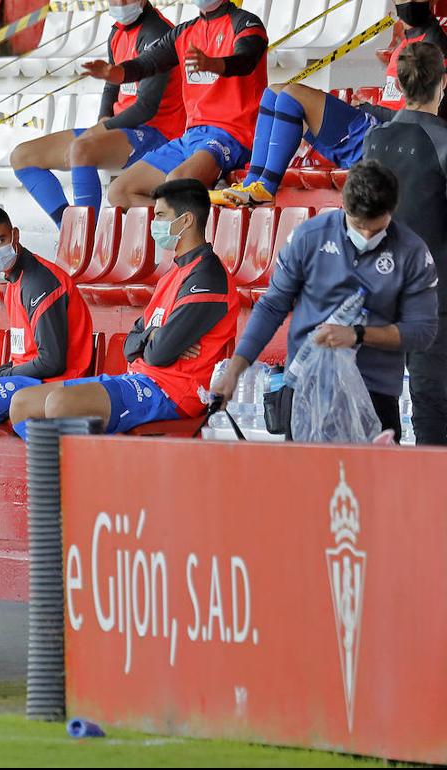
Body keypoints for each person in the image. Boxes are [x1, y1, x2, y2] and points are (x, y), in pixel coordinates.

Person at [213, 161, 439, 442]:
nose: (367, 235)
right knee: (305, 484)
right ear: (344, 205)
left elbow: (423, 331)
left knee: (367, 486)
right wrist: (234, 371)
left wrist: (358, 335)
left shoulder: (412, 252)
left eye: (376, 227)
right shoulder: (308, 238)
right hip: (309, 389)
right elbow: (272, 306)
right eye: (359, 225)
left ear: (391, 211)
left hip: (375, 394)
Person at [9, 179, 239, 435]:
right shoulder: (173, 274)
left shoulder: (208, 277)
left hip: (173, 392)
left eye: (161, 215)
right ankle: (63, 473)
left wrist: (152, 339)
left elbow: (158, 354)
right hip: (139, 379)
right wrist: (151, 336)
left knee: (61, 404)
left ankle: (75, 473)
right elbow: (130, 346)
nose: (155, 223)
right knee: (22, 403)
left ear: (186, 221)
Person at [213, 2, 447, 208]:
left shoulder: (433, 45)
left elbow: (422, 114)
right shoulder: (406, 40)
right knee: (273, 93)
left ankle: (265, 187)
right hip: (381, 129)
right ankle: (252, 182)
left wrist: (370, 109)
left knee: (291, 95)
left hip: (387, 140)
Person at [0, 206, 93, 538]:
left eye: (0, 240)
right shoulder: (15, 280)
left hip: (56, 385)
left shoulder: (38, 280)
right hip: (30, 381)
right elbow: (29, 356)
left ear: (15, 236)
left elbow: (53, 361)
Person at [11, 0, 186, 227]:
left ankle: (85, 238)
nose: (120, 4)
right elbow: (111, 86)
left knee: (81, 149)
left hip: (158, 133)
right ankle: (68, 229)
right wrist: (103, 118)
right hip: (122, 128)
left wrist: (100, 129)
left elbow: (146, 107)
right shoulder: (117, 32)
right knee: (22, 156)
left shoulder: (158, 32)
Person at [81, 0, 268, 208]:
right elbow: (148, 62)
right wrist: (116, 73)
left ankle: (199, 213)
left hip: (234, 135)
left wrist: (215, 64)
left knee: (176, 183)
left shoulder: (246, 22)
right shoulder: (184, 32)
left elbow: (246, 59)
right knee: (119, 192)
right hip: (192, 136)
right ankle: (200, 213)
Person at [364, 42, 447, 445]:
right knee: (431, 404)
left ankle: (386, 498)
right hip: (434, 296)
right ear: (443, 83)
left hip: (381, 291)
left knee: (382, 403)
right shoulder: (443, 140)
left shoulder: (373, 140)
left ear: (398, 82)